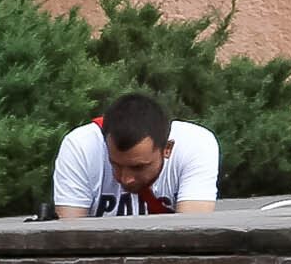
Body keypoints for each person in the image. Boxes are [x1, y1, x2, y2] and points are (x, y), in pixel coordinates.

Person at [51, 92, 217, 218]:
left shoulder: (196, 144)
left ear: (167, 148)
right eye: (115, 164)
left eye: (138, 167)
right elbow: (70, 238)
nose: (126, 179)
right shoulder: (80, 146)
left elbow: (191, 233)